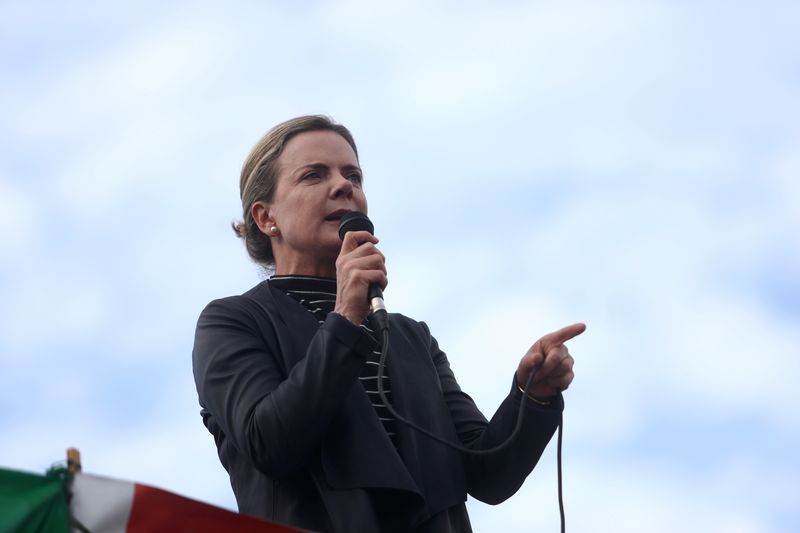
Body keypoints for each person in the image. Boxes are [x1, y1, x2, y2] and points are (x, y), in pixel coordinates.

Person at [192, 115, 584, 532]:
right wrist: (344, 319)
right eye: (313, 175)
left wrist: (532, 396)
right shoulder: (232, 322)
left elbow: (487, 473)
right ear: (266, 218)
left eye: (354, 176)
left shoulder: (411, 338)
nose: (344, 186)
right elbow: (269, 442)